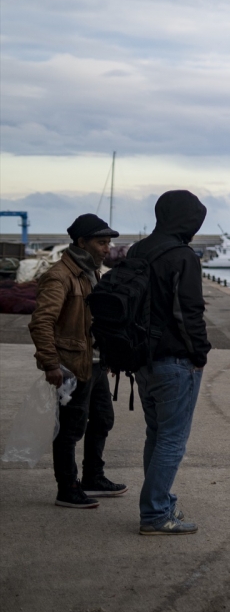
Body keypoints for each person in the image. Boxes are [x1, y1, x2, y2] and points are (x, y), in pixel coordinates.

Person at [28, 214, 126, 509]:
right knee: (71, 430)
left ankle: (93, 477)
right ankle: (67, 488)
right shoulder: (60, 276)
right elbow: (41, 322)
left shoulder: (90, 272)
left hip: (95, 363)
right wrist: (50, 364)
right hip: (72, 366)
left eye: (108, 242)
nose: (106, 248)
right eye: (101, 242)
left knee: (103, 420)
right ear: (81, 242)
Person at [128, 190, 210, 536]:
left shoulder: (138, 251)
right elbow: (187, 312)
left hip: (141, 359)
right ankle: (156, 514)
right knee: (172, 440)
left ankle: (159, 503)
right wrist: (199, 354)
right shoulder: (182, 257)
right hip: (175, 361)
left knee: (157, 435)